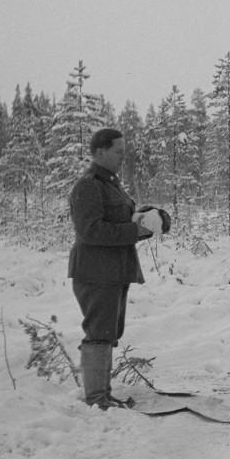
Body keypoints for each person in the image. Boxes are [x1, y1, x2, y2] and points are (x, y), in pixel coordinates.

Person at [69, 128, 169, 409]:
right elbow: (90, 231)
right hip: (95, 272)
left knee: (109, 333)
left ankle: (103, 394)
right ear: (99, 152)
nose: (123, 157)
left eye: (124, 151)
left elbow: (125, 215)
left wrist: (152, 218)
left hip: (113, 271)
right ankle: (97, 398)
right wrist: (134, 230)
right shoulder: (88, 185)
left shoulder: (110, 184)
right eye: (118, 152)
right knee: (99, 333)